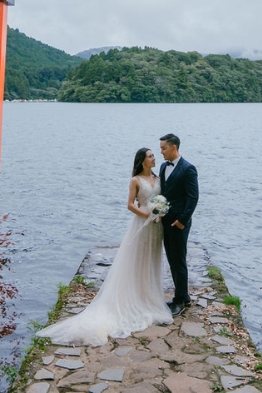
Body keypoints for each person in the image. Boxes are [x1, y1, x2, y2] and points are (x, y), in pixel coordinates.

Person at [37, 148, 172, 346]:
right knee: (139, 258)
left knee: (152, 258)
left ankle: (150, 295)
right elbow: (129, 205)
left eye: (154, 155)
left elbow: (162, 199)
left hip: (156, 226)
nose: (154, 158)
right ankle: (135, 297)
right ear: (142, 161)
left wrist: (159, 212)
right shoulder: (135, 180)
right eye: (151, 156)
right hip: (142, 223)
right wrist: (147, 214)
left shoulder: (158, 178)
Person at [158, 133, 198, 316]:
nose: (161, 152)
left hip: (179, 223)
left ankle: (180, 299)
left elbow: (193, 197)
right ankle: (183, 296)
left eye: (163, 148)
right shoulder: (163, 167)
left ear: (174, 147)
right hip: (165, 221)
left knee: (179, 260)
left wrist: (182, 221)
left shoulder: (188, 169)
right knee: (172, 260)